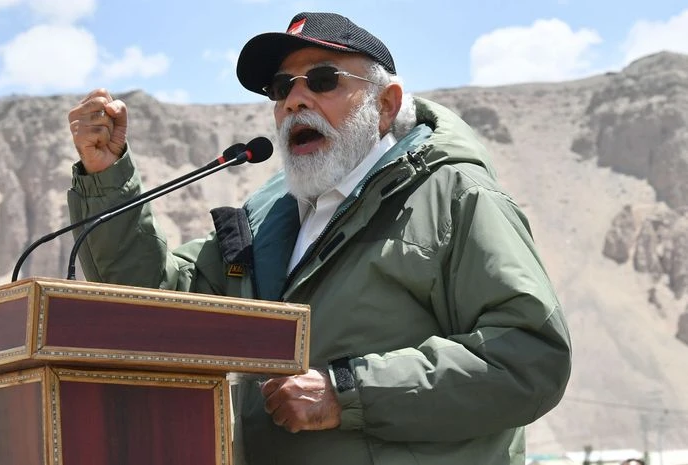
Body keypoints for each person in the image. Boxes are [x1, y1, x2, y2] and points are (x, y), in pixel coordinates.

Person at [67, 11, 572, 465]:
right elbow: (155, 303)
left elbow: (529, 357)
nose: (295, 100)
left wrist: (346, 392)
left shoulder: (454, 196)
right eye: (281, 88)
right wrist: (107, 174)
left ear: (386, 104)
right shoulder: (268, 220)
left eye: (323, 80)